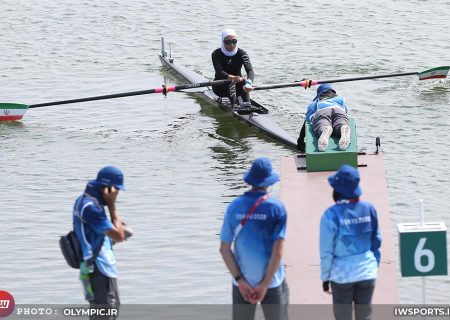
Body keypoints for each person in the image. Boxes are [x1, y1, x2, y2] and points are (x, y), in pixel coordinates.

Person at [220, 157, 289, 320]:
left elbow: (224, 249)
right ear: (269, 182)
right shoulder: (276, 209)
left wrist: (240, 280)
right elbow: (277, 253)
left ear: (250, 181)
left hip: (242, 283)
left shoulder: (234, 207)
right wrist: (264, 284)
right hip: (272, 282)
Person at [320, 164, 382, 320]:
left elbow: (326, 251)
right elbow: (377, 242)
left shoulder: (330, 215)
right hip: (367, 272)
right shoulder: (369, 209)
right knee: (365, 315)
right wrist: (373, 265)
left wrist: (325, 278)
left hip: (341, 276)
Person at [73, 166, 126, 319]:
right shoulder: (90, 207)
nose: (117, 194)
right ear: (108, 188)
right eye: (117, 190)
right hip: (98, 269)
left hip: (99, 268)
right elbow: (118, 236)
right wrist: (112, 205)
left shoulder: (89, 202)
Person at [297, 83, 350, 152]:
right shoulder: (339, 99)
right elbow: (345, 112)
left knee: (322, 122)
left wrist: (300, 141)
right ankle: (342, 127)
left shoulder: (317, 101)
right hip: (339, 109)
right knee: (340, 121)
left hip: (323, 110)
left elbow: (307, 121)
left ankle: (324, 129)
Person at [212, 29, 255, 111]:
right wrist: (231, 77)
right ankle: (233, 105)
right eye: (228, 42)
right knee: (231, 82)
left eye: (234, 41)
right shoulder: (216, 54)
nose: (231, 45)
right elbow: (219, 71)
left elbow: (250, 71)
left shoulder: (242, 53)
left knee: (244, 81)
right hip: (220, 87)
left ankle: (246, 105)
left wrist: (249, 83)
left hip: (238, 87)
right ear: (223, 41)